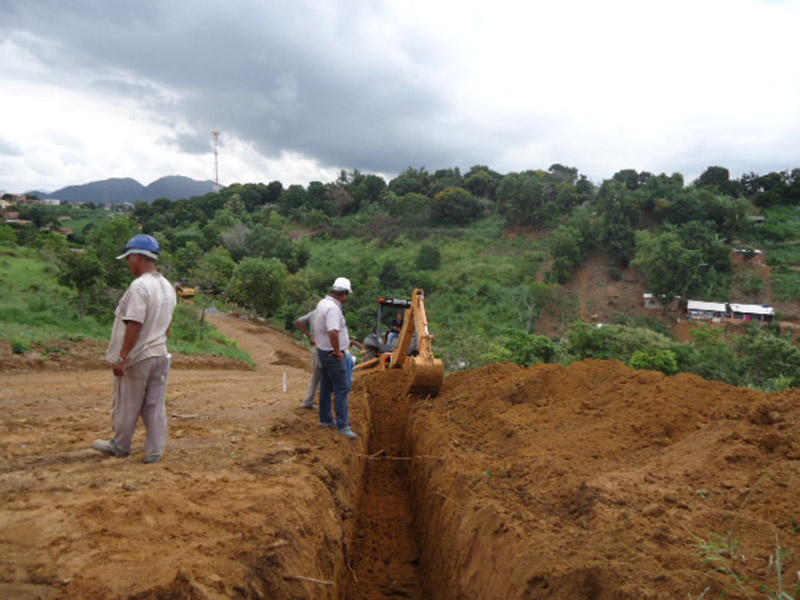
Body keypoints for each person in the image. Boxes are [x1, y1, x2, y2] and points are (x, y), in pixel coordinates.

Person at [92, 234, 177, 464]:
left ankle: (121, 445)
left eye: (130, 258)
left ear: (138, 257)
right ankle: (154, 451)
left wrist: (123, 357)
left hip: (139, 356)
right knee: (155, 405)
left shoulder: (140, 286)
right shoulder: (167, 287)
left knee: (128, 404)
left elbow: (135, 324)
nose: (129, 263)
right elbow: (167, 326)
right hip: (161, 353)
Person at [311, 277, 358, 439]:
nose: (348, 299)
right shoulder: (333, 309)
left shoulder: (323, 303)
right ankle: (343, 425)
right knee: (342, 388)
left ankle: (325, 418)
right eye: (348, 296)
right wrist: (338, 351)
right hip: (332, 354)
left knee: (326, 386)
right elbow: (333, 331)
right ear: (344, 294)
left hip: (323, 351)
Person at [295, 309, 320, 410]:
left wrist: (309, 335)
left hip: (316, 348)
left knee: (317, 376)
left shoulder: (313, 313)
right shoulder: (329, 312)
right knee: (324, 376)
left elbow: (299, 321)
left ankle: (310, 401)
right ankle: (316, 401)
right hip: (323, 349)